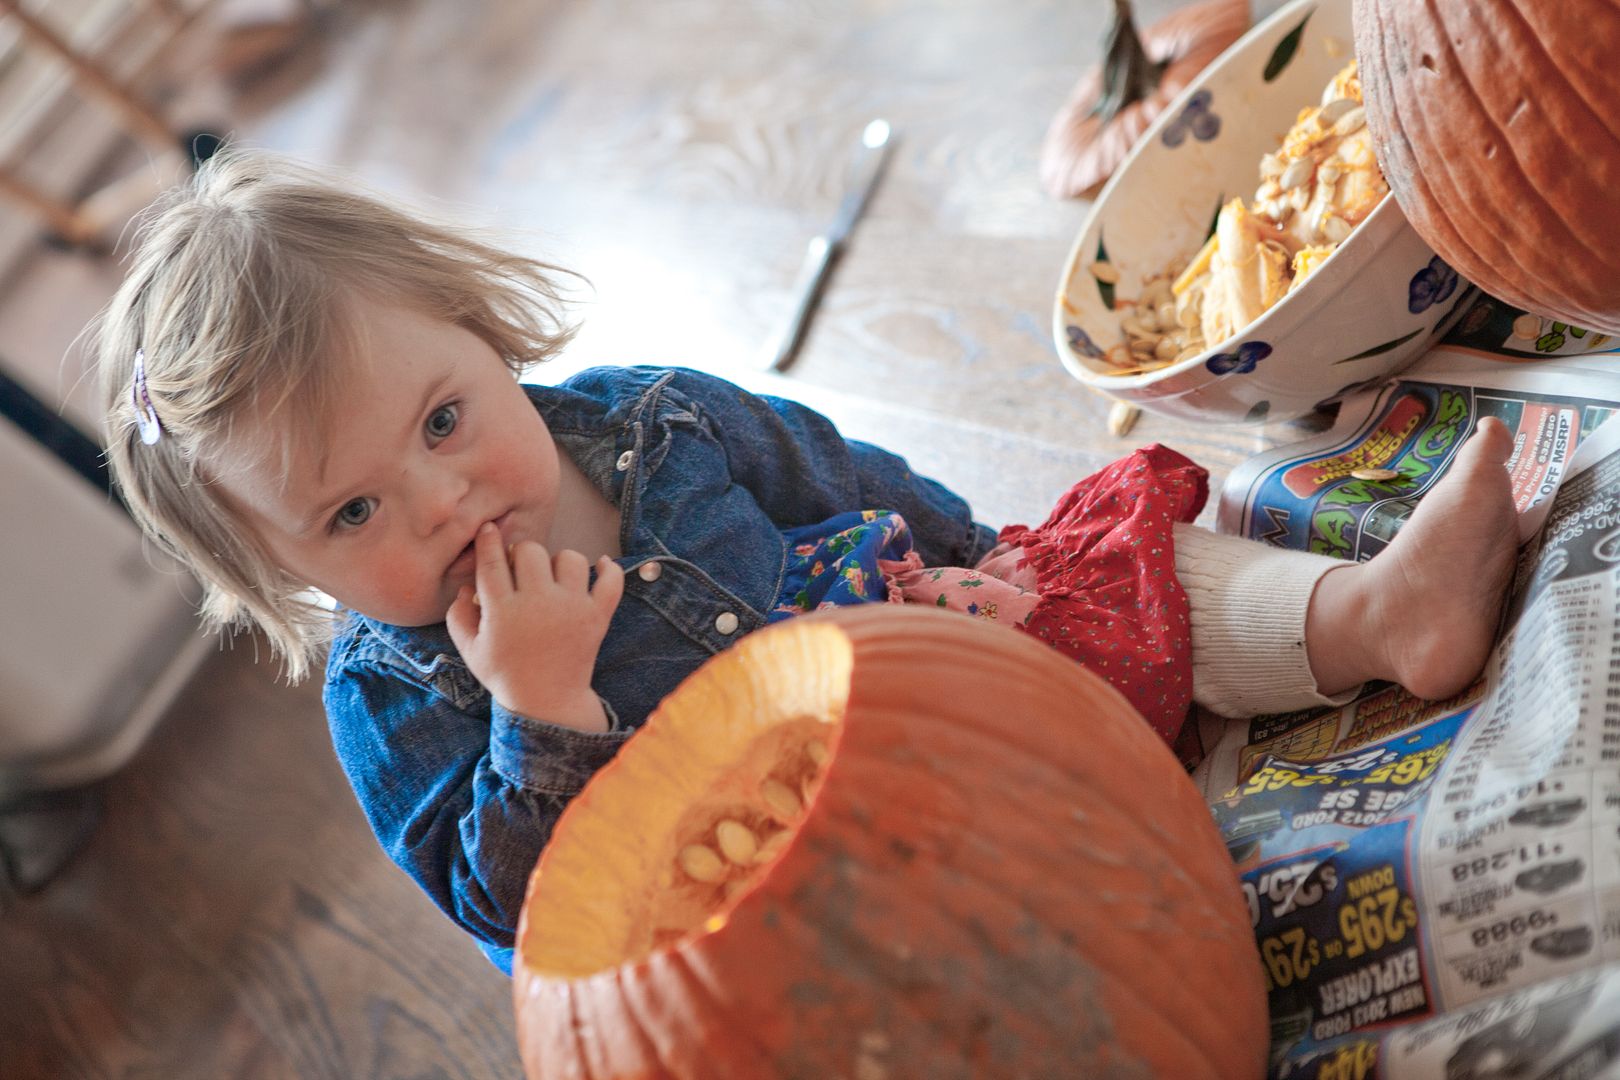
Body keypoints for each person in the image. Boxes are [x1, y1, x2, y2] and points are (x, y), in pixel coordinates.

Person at [94, 149, 1520, 973]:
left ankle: (1374, 614)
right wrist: (538, 714)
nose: (435, 499)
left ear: (489, 334)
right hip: (769, 921)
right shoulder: (399, 699)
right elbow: (522, 922)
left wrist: (979, 558)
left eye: (445, 419)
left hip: (928, 689)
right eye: (349, 518)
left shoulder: (654, 419)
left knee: (1130, 576)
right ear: (286, 577)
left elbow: (839, 474)